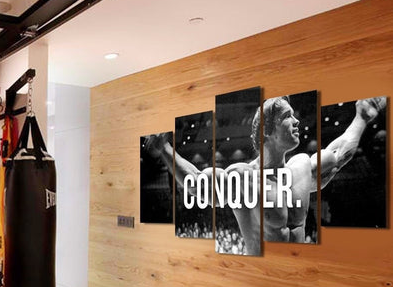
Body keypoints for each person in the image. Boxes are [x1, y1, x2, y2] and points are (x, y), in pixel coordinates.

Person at [145, 96, 385, 255]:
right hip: (263, 277)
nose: (297, 121)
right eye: (287, 116)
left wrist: (361, 118)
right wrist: (165, 148)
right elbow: (197, 183)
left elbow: (338, 154)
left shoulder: (301, 167)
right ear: (267, 131)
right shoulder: (243, 178)